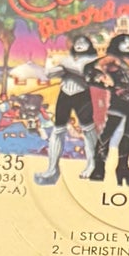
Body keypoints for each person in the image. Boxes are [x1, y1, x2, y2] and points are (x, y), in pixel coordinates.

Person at [34, 34, 100, 185]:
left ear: (89, 45)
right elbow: (49, 73)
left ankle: (92, 164)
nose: (80, 44)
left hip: (82, 95)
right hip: (65, 94)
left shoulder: (92, 59)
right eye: (78, 42)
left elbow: (82, 71)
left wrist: (64, 67)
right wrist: (61, 67)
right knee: (58, 130)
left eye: (84, 42)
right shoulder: (67, 59)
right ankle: (52, 168)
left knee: (88, 129)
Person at [87, 32, 129, 184]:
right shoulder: (113, 58)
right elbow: (93, 67)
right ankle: (99, 168)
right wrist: (105, 79)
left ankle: (123, 167)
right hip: (119, 100)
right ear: (116, 44)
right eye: (124, 42)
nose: (128, 45)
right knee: (108, 132)